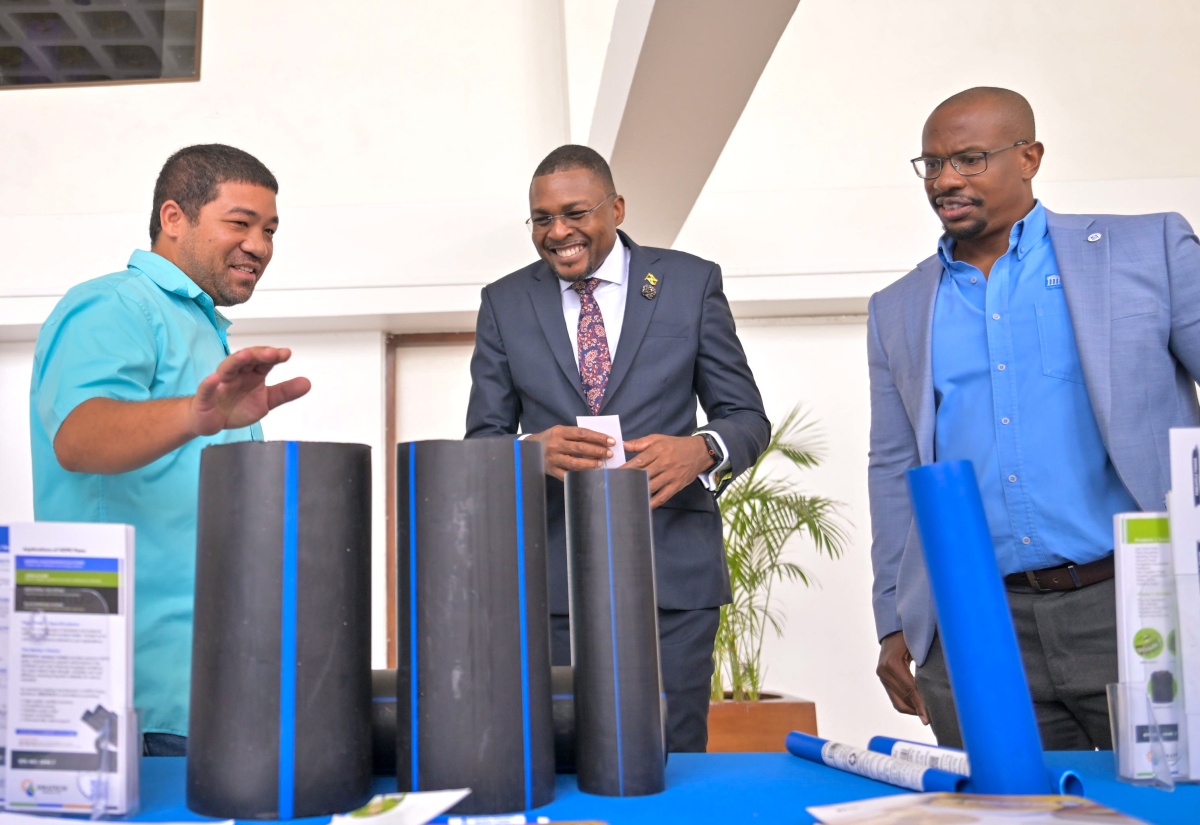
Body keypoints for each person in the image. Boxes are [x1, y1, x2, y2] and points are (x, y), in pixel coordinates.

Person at [868, 87, 1200, 749]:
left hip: (1136, 602)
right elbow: (894, 469)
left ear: (1029, 157)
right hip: (978, 623)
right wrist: (895, 618)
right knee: (1006, 803)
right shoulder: (897, 307)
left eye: (969, 159)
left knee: (1168, 796)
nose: (946, 180)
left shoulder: (1148, 248)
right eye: (932, 164)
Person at [465, 144, 770, 752]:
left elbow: (745, 417)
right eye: (542, 219)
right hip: (553, 582)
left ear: (617, 208)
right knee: (563, 752)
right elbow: (482, 443)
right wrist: (530, 451)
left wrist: (701, 451)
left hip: (673, 576)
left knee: (673, 752)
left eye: (575, 213)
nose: (558, 232)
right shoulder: (504, 301)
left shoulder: (690, 282)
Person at [30, 144, 311, 756]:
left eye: (269, 230)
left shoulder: (202, 328)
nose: (259, 246)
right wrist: (194, 415)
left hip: (216, 684)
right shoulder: (115, 304)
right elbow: (78, 437)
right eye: (240, 223)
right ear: (174, 217)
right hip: (133, 701)